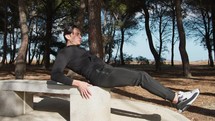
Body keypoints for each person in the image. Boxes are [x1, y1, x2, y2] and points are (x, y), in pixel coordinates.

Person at [51, 24, 200, 112]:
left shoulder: (79, 49)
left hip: (106, 71)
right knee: (141, 76)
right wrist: (79, 83)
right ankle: (176, 99)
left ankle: (176, 99)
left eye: (80, 34)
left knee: (140, 75)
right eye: (77, 34)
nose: (80, 37)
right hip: (100, 76)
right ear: (67, 36)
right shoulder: (64, 53)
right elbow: (56, 74)